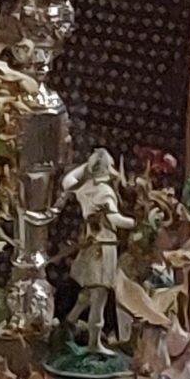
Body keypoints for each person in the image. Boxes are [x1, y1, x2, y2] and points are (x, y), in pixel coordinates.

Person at [62, 149, 135, 355]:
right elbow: (115, 219)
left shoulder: (85, 188)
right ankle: (94, 343)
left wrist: (85, 168)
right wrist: (136, 222)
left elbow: (67, 181)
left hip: (92, 246)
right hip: (103, 247)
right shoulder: (104, 192)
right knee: (99, 296)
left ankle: (69, 322)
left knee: (87, 293)